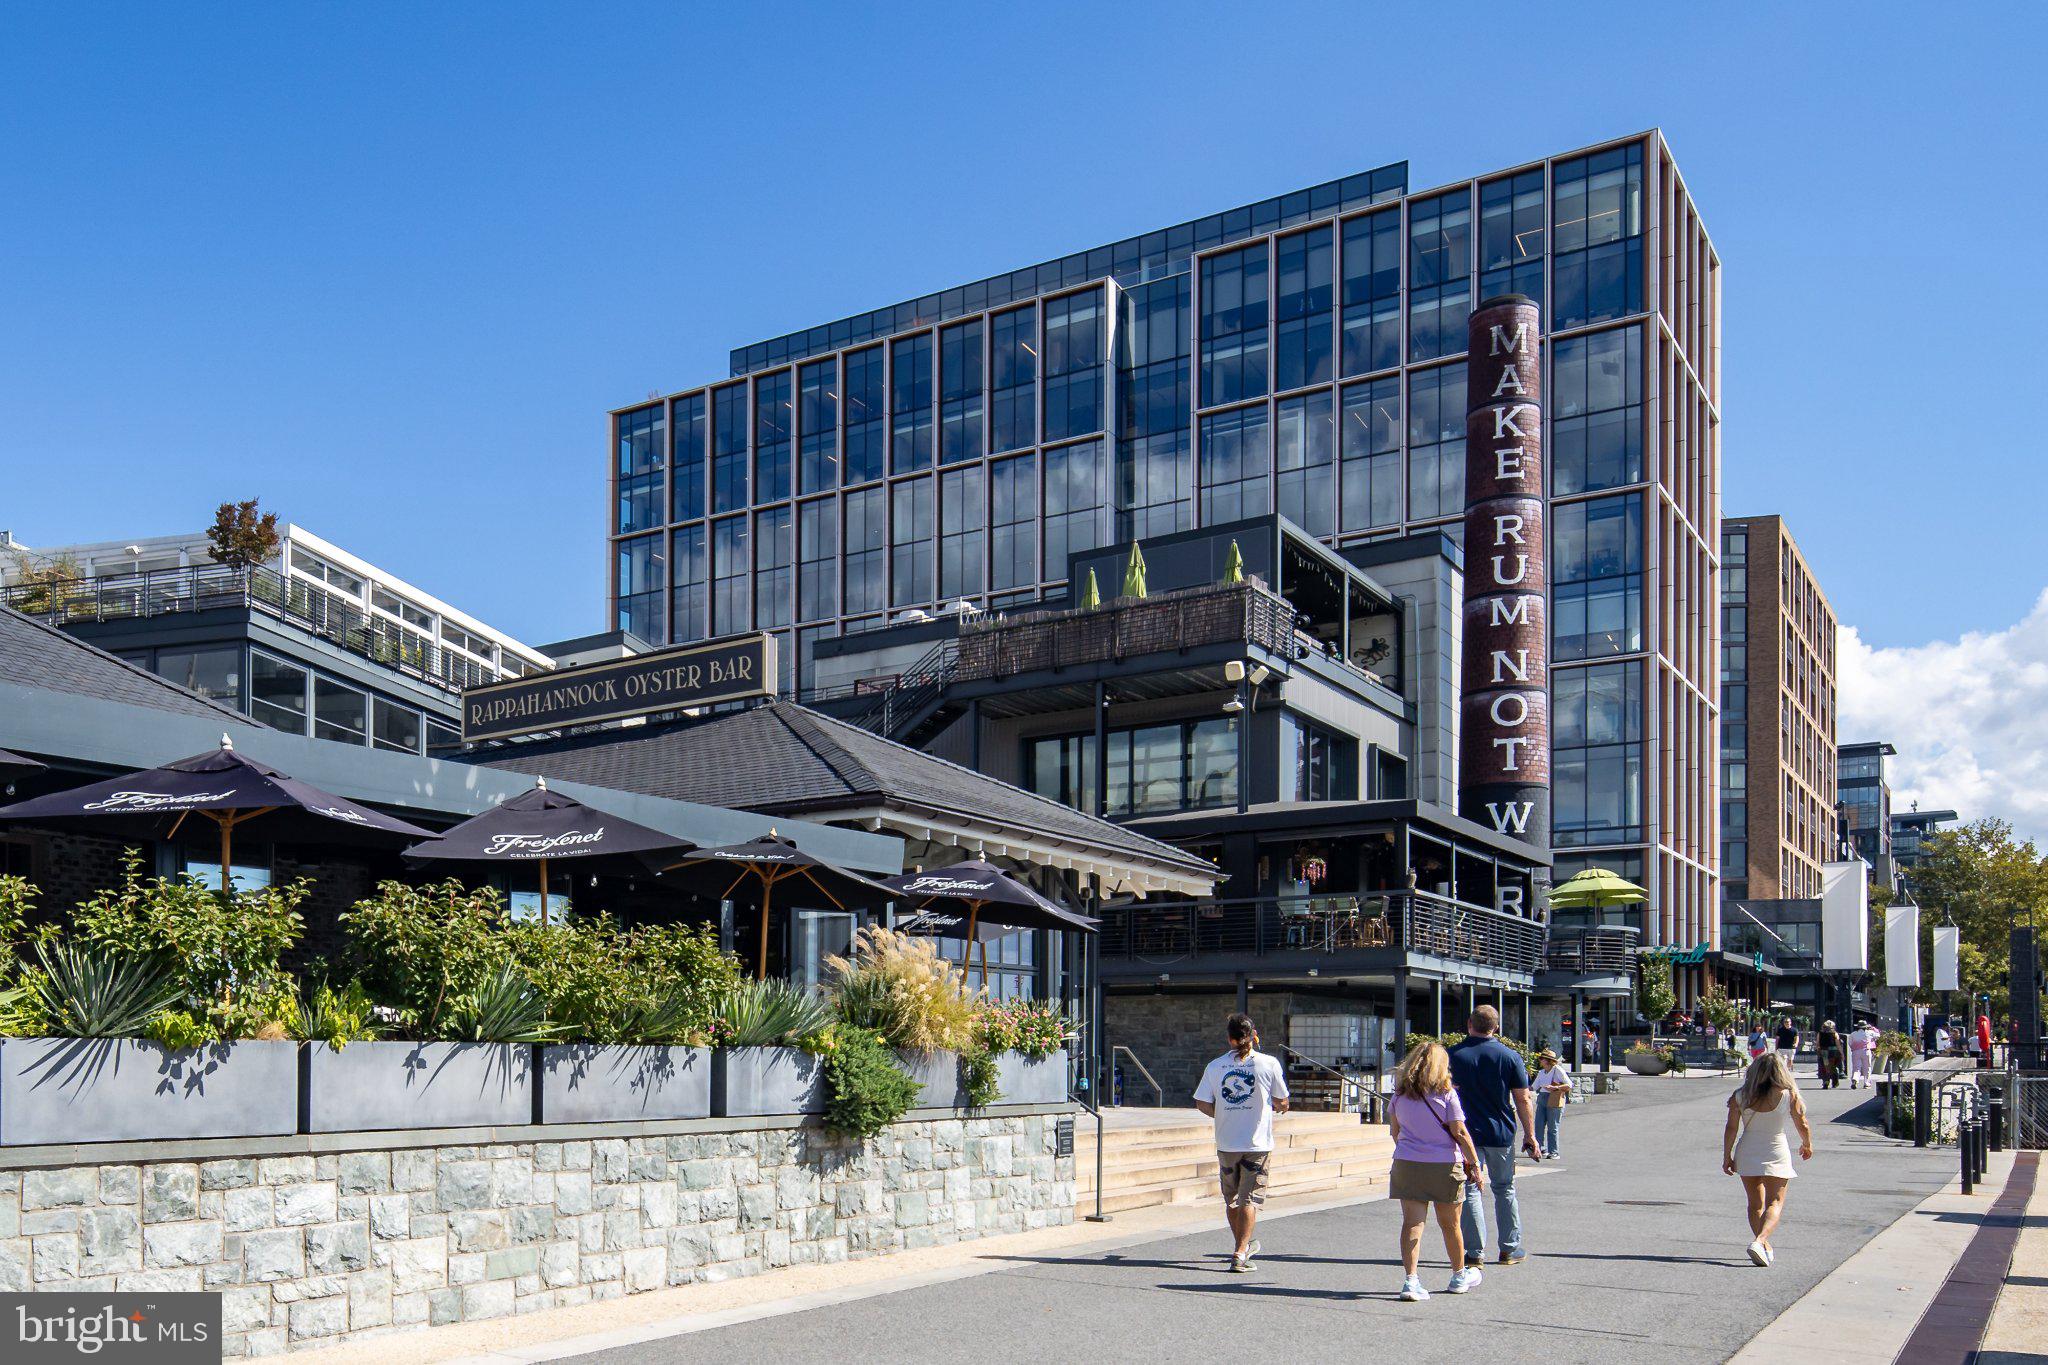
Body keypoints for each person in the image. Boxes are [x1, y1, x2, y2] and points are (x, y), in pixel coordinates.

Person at [1387, 1040, 1486, 1302]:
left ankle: (1411, 1280)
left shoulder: (1399, 1096)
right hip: (1444, 1164)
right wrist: (1474, 1164)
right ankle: (1458, 1275)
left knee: (1412, 1223)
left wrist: (1412, 1148)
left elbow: (1394, 1132)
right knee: (1451, 1224)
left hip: (1408, 1163)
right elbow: (1460, 1132)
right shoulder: (1447, 1094)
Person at [1192, 1012, 1290, 1273]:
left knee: (1232, 1199)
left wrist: (1222, 1112)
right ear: (1253, 1035)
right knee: (1250, 1199)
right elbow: (1282, 1099)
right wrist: (1279, 1106)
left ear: (1229, 1038)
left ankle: (1241, 1246)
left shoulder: (1215, 1066)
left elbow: (1202, 1102)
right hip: (1256, 1144)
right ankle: (1240, 1251)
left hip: (1226, 1142)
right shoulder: (1268, 1064)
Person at [1448, 1005, 1540, 1271]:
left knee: (1470, 1190)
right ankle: (1510, 1248)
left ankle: (1474, 1252)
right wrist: (1531, 1135)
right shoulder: (1510, 1056)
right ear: (1496, 1027)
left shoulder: (1453, 1056)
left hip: (1465, 1133)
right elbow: (1523, 1098)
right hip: (1500, 1132)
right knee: (1505, 1188)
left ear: (1469, 1024)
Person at [1722, 1051, 1813, 1267]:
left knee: (1755, 1204)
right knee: (1776, 1201)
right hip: (1776, 1148)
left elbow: (1731, 1128)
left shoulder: (1740, 1096)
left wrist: (1727, 1155)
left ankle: (1764, 1247)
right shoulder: (1789, 1094)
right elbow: (1803, 1123)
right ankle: (1760, 1241)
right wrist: (1807, 1143)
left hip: (1748, 1149)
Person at [1530, 1048, 1571, 1157]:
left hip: (1554, 1098)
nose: (1540, 1060)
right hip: (1542, 1098)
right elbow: (1533, 1087)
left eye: (1542, 1058)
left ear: (1548, 1060)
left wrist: (1555, 1087)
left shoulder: (1557, 1070)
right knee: (1539, 1125)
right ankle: (1540, 1149)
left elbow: (1569, 1085)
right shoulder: (1541, 1072)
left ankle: (1554, 1152)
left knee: (1552, 1127)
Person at [1846, 1021, 1875, 1089]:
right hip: (1866, 1051)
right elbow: (1878, 1035)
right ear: (1866, 1027)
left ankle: (1855, 1079)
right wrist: (1872, 1029)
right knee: (1867, 1067)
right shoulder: (1869, 1033)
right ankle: (1866, 1083)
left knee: (1856, 1067)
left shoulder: (1853, 1034)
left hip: (1855, 1052)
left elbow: (1850, 1043)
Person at [1815, 1021, 1843, 1090]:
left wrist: (1818, 1050)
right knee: (1832, 1067)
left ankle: (1826, 1081)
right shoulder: (1834, 1034)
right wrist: (1841, 1053)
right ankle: (1835, 1082)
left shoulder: (1820, 1033)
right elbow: (1838, 1044)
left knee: (1825, 1067)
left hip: (1823, 1051)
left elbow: (1818, 1043)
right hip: (1833, 1052)